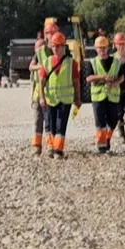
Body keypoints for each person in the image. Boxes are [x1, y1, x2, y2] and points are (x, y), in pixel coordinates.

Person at [37, 31, 81, 159]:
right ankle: (51, 147)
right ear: (51, 47)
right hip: (50, 99)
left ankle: (58, 150)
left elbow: (76, 82)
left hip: (65, 100)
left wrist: (77, 99)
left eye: (58, 46)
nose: (56, 48)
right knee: (50, 124)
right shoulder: (46, 62)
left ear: (64, 46)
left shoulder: (71, 63)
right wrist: (41, 96)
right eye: (54, 46)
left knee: (60, 125)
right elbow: (41, 81)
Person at [86, 35, 121, 154]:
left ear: (108, 48)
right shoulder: (93, 62)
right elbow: (89, 78)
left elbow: (122, 77)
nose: (102, 50)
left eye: (104, 48)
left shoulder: (116, 62)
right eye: (99, 48)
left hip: (112, 95)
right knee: (100, 122)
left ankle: (107, 138)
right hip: (98, 96)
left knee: (113, 120)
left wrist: (115, 83)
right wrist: (102, 77)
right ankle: (101, 147)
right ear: (96, 49)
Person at [28, 22, 57, 154]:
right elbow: (31, 67)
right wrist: (43, 67)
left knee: (49, 121)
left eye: (53, 33)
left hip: (51, 93)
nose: (51, 36)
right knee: (38, 120)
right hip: (38, 93)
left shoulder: (60, 49)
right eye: (49, 34)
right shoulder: (40, 51)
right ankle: (37, 146)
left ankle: (51, 145)